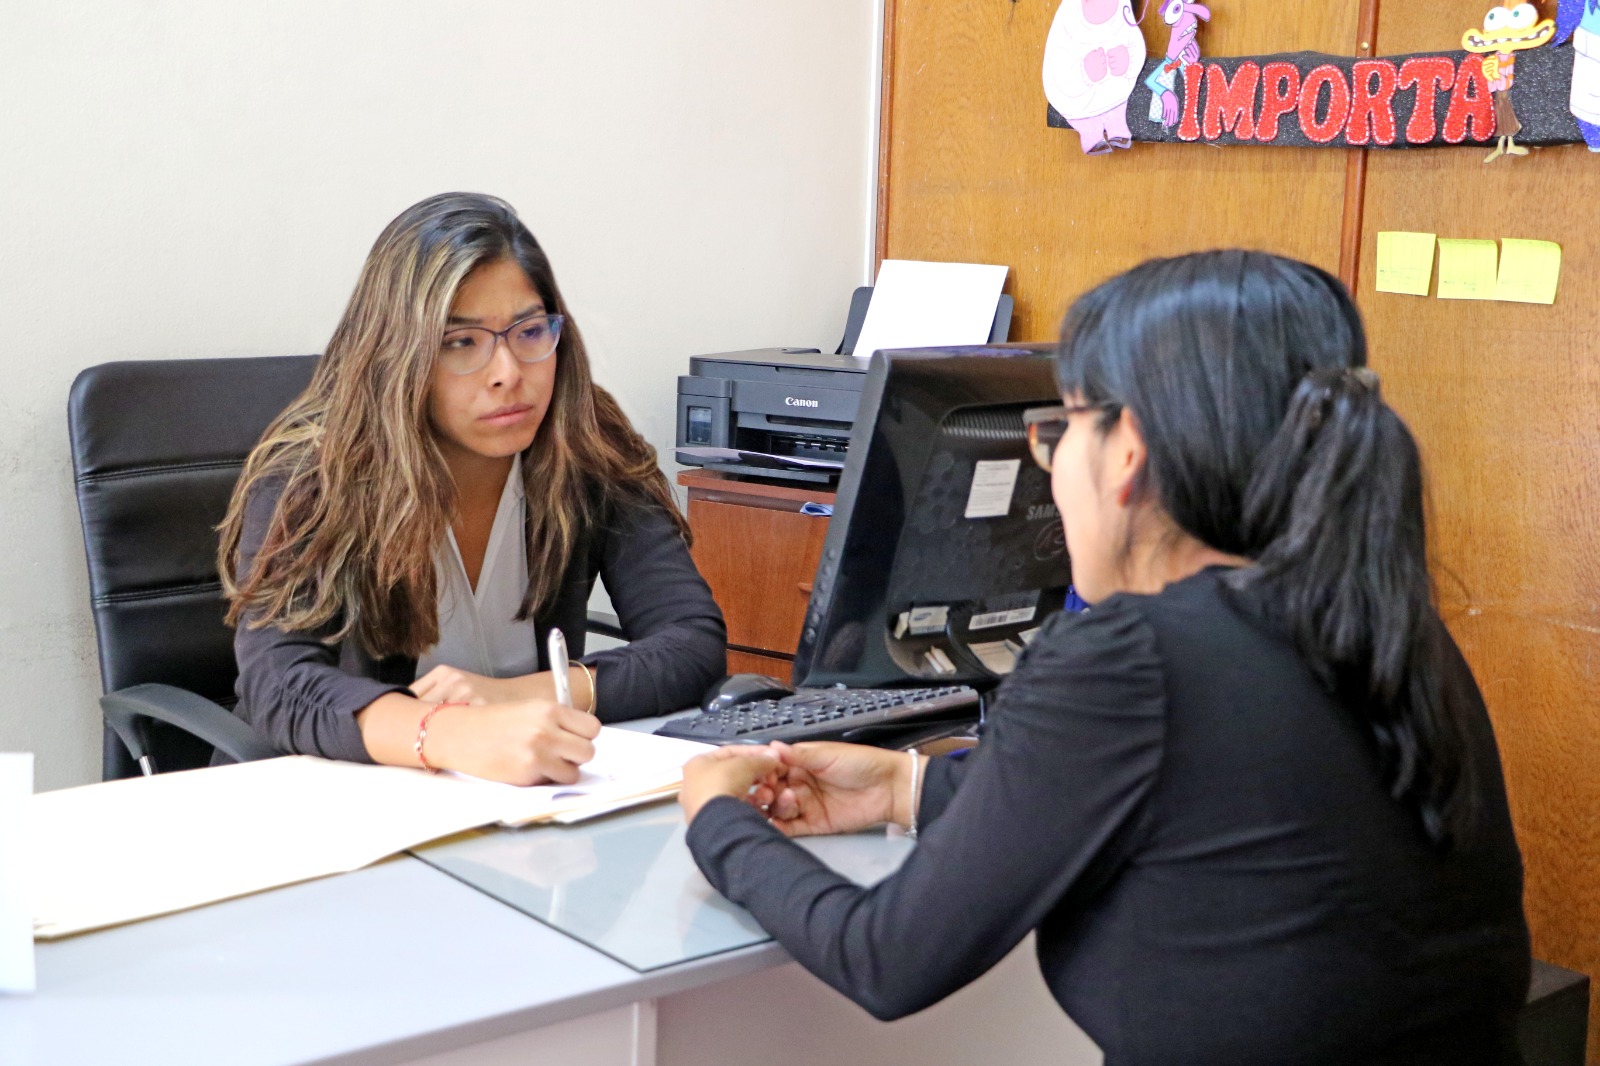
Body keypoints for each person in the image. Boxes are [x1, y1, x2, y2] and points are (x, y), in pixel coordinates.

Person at [678, 251, 1530, 1064]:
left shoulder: (1130, 658)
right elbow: (1202, 796)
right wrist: (904, 787)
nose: (1049, 466)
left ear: (1126, 453)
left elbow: (884, 957)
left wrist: (715, 819)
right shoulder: (1386, 631)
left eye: (1057, 430)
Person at [220, 192, 726, 785]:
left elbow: (692, 643)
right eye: (462, 342)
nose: (508, 371)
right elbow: (279, 685)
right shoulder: (315, 471)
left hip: (520, 799)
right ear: (398, 356)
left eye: (530, 331)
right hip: (340, 797)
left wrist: (512, 699)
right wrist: (447, 732)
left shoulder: (585, 440)